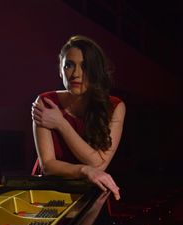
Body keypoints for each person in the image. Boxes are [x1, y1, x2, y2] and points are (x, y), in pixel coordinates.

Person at [31, 35, 126, 201]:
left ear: (96, 71)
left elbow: (99, 164)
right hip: (48, 192)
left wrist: (61, 124)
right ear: (60, 71)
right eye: (69, 65)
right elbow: (47, 165)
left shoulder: (115, 107)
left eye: (85, 66)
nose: (76, 74)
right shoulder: (45, 101)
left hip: (89, 194)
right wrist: (84, 170)